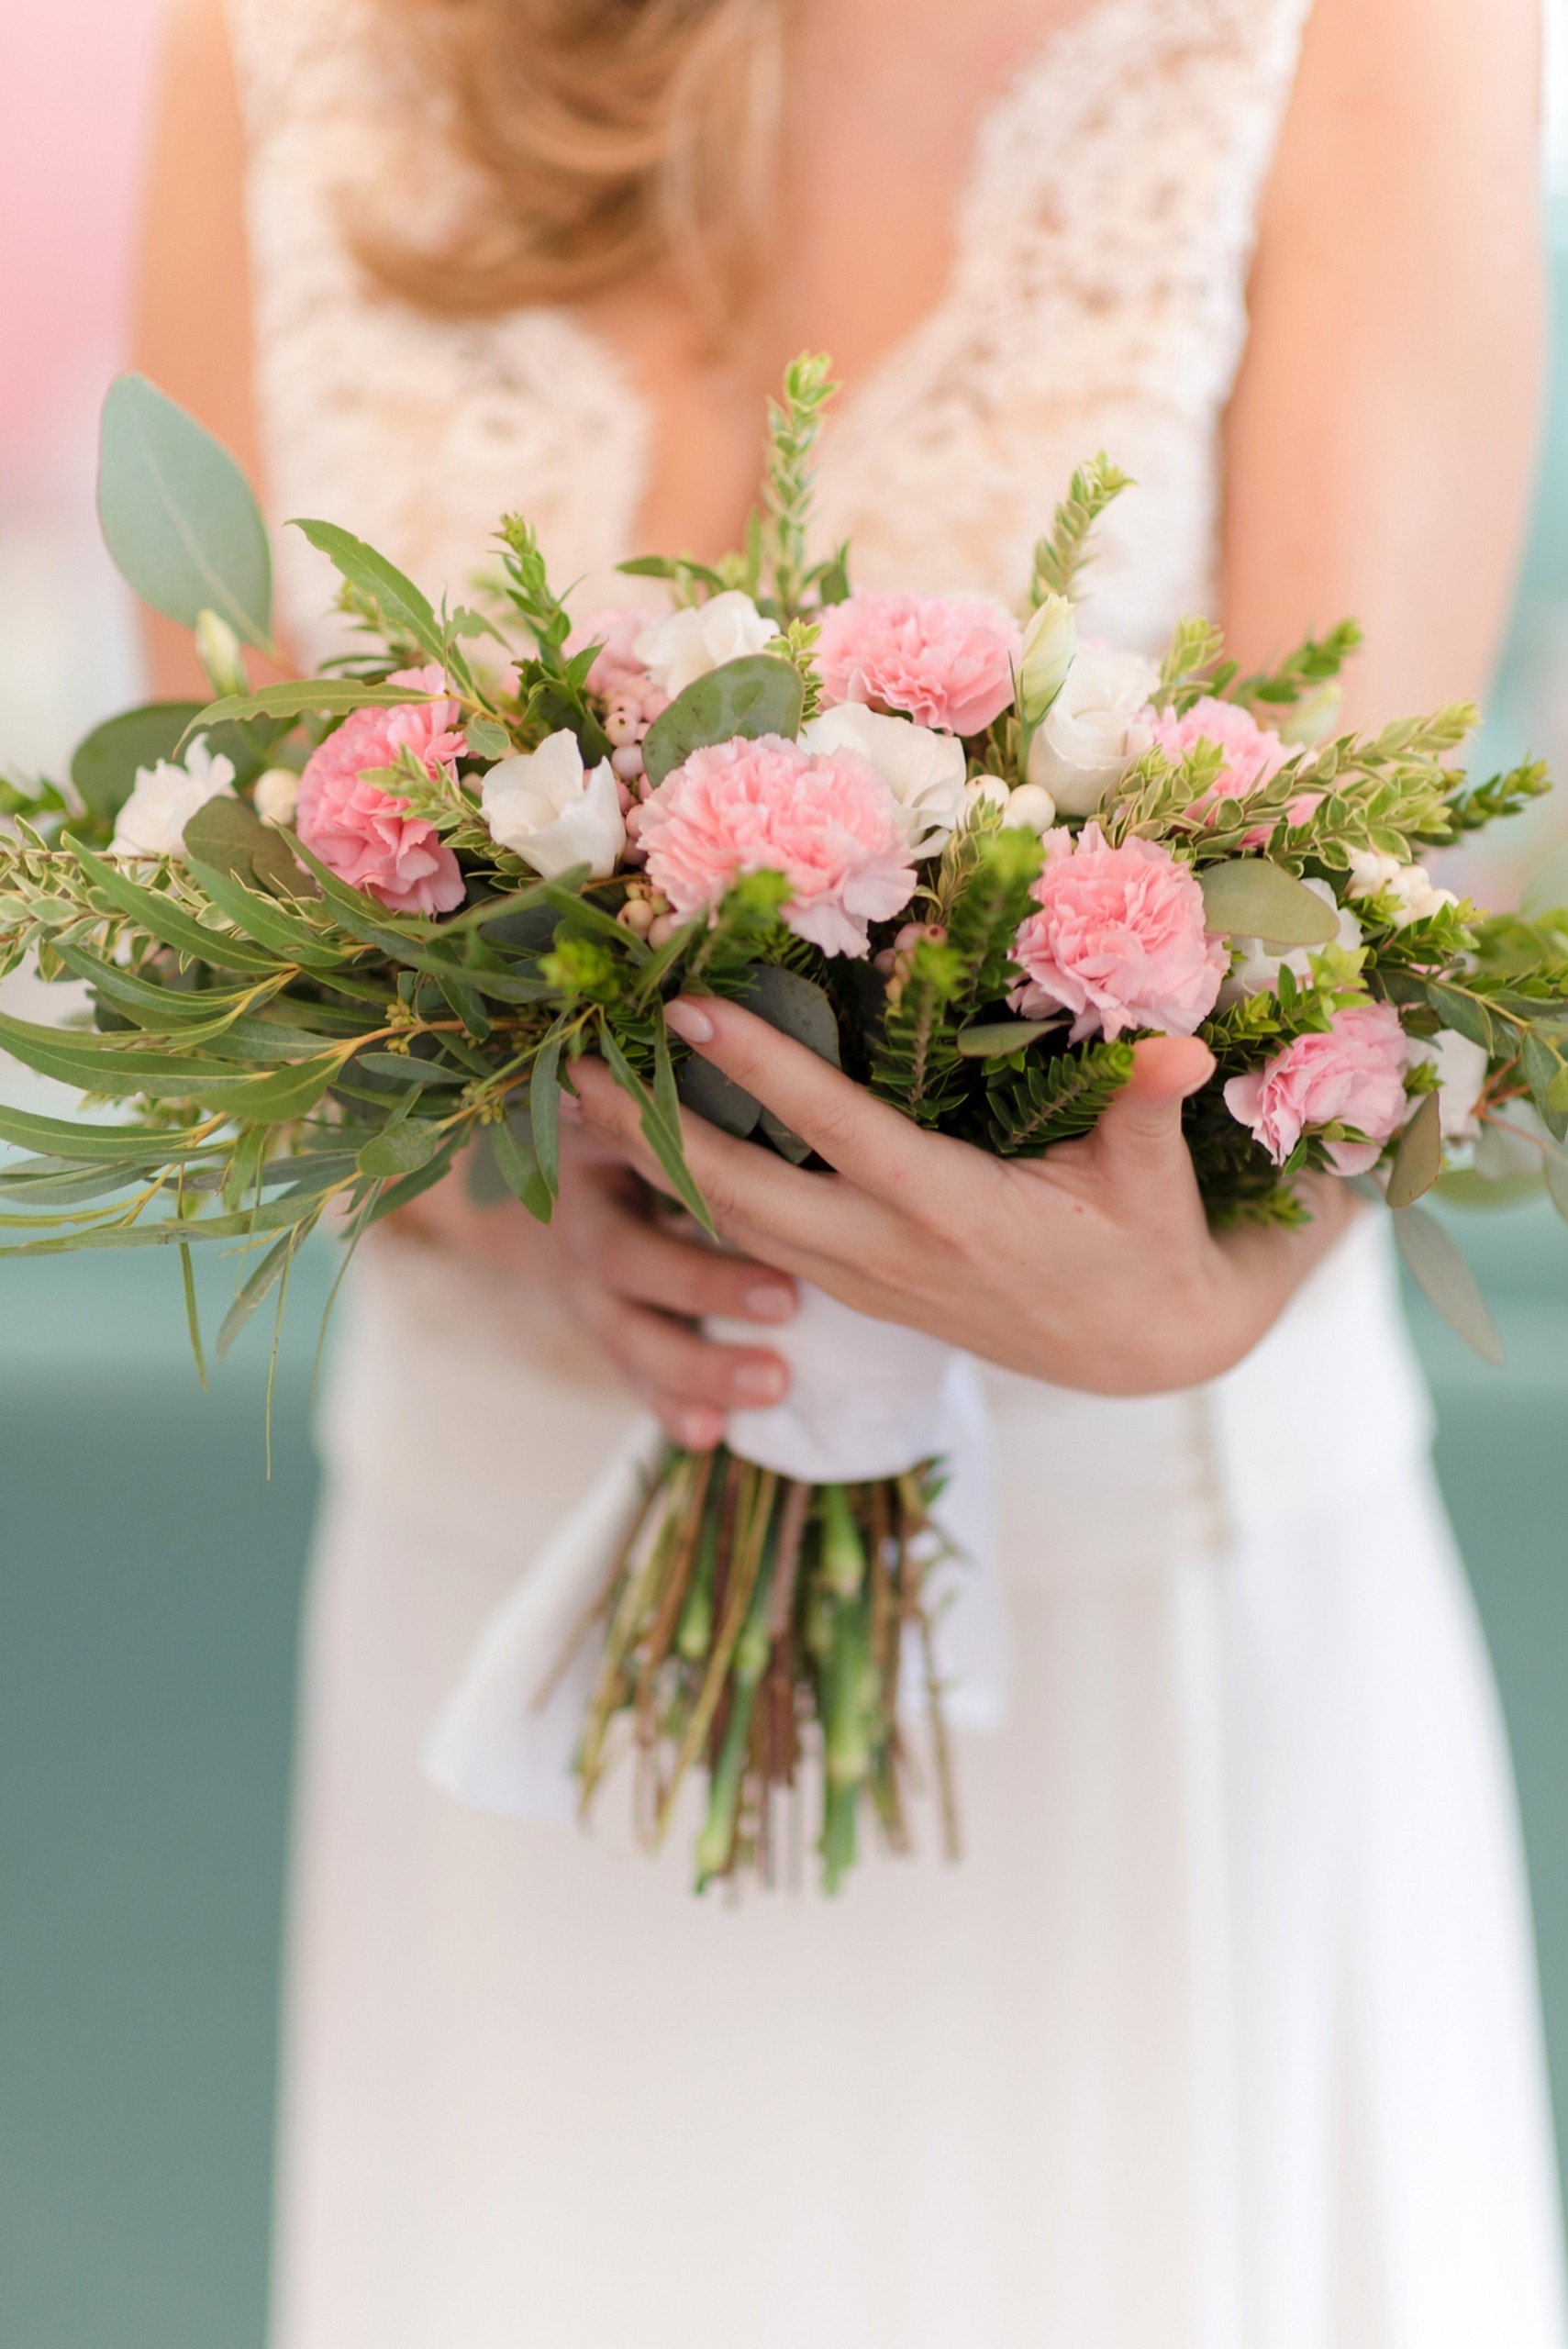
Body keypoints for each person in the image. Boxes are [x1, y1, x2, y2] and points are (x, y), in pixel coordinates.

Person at [137, 0, 1567, 2341]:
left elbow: (1351, 935)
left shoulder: (1370, 34)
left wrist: (1193, 1293)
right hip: (494, 1597)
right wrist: (510, 1185)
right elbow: (228, 873)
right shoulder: (269, 42)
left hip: (1126, 1621)